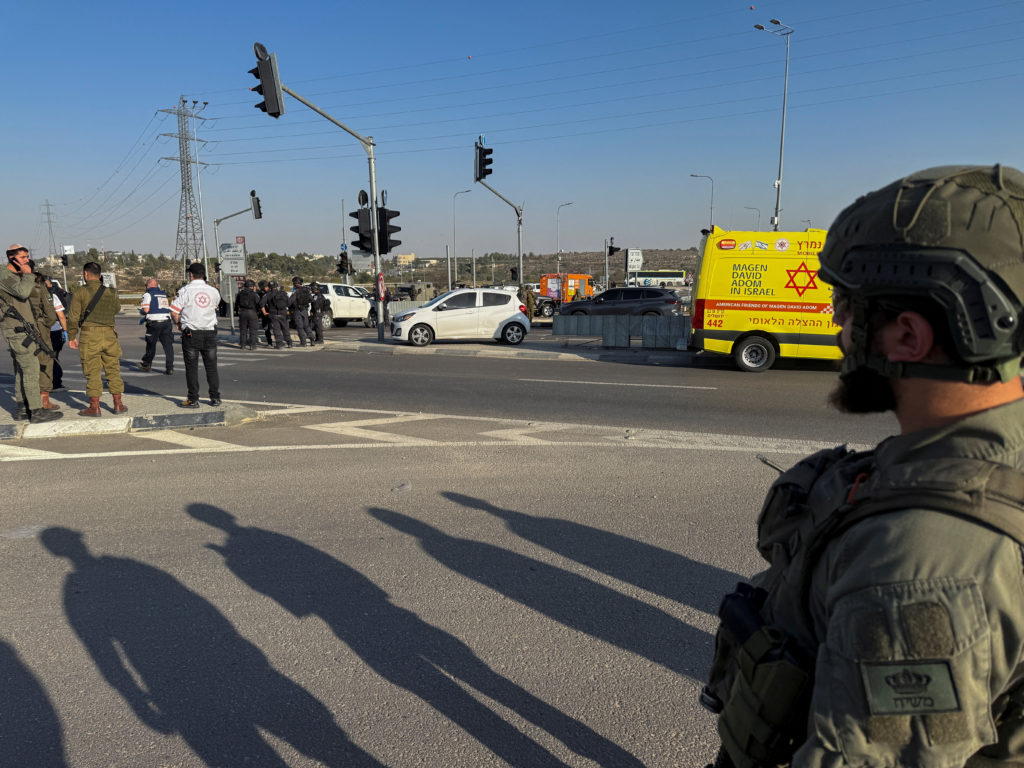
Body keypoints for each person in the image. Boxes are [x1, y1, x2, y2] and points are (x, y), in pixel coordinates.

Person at [702, 165, 1024, 768]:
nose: (836, 325)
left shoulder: (917, 565)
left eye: (848, 307)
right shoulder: (959, 464)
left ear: (908, 335)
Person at [0, 245, 60, 423]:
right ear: (12, 259)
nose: (27, 260)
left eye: (27, 257)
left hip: (23, 329)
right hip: (17, 330)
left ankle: (22, 408)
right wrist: (28, 274)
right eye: (23, 257)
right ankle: (36, 411)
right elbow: (23, 292)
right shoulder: (4, 275)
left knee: (21, 370)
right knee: (32, 369)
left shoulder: (11, 276)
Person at [67, 261, 126, 416]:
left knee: (92, 371)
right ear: (100, 275)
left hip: (89, 335)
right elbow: (117, 309)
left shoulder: (80, 292)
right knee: (113, 369)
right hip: (109, 334)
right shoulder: (111, 292)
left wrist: (72, 335)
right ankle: (118, 404)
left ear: (85, 274)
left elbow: (73, 318)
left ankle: (95, 407)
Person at [170, 262, 221, 408]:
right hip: (210, 332)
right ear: (203, 274)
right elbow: (215, 306)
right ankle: (215, 398)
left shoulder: (185, 290)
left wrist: (178, 324)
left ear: (190, 275)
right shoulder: (213, 291)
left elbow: (174, 311)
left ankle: (193, 399)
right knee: (211, 367)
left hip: (192, 333)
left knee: (192, 368)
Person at [27, 270, 62, 412]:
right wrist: (44, 324)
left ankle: (29, 401)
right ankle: (44, 401)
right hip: (40, 328)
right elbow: (51, 315)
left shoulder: (18, 290)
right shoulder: (40, 290)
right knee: (46, 362)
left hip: (23, 330)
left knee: (27, 364)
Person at [138, 277, 174, 374]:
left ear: (149, 285)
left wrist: (141, 312)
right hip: (166, 322)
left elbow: (146, 310)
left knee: (151, 344)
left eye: (146, 285)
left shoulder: (148, 294)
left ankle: (146, 364)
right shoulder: (163, 294)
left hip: (154, 323)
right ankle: (169, 368)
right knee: (168, 345)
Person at [43, 275, 69, 390]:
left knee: (45, 359)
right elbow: (61, 316)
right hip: (56, 331)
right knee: (54, 358)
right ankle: (56, 383)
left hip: (42, 331)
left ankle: (46, 385)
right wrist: (65, 330)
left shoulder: (32, 297)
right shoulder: (53, 297)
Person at [259, 280, 291, 349]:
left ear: (270, 287)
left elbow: (261, 304)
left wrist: (264, 312)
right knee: (285, 328)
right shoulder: (283, 293)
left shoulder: (267, 295)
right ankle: (289, 342)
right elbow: (289, 303)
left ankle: (279, 344)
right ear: (277, 286)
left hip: (273, 315)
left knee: (276, 330)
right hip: (283, 313)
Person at [235, 279, 260, 350]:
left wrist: (237, 312)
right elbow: (259, 303)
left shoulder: (240, 293)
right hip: (252, 312)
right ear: (252, 286)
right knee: (253, 330)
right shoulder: (254, 294)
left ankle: (243, 345)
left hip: (242, 312)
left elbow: (236, 304)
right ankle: (252, 345)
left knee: (243, 330)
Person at [289, 276, 314, 347]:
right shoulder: (306, 290)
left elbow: (290, 301)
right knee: (306, 326)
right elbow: (311, 300)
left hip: (298, 311)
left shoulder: (296, 291)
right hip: (305, 310)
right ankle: (312, 340)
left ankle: (303, 343)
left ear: (295, 283)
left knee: (300, 327)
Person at [308, 281, 327, 345]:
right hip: (315, 312)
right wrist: (311, 311)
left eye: (312, 288)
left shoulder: (319, 296)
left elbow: (316, 305)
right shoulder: (315, 296)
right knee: (316, 326)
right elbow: (313, 305)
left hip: (318, 312)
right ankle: (317, 339)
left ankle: (320, 339)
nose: (311, 289)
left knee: (318, 326)